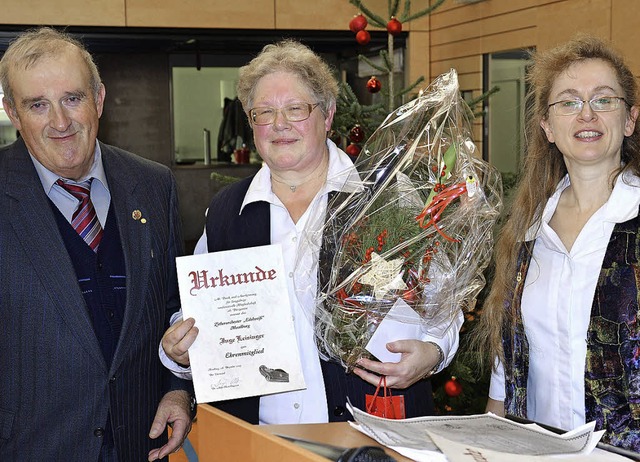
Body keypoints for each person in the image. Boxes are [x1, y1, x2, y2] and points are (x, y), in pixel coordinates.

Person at [160, 39, 463, 425]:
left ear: (328, 115)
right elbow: (197, 312)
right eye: (264, 112)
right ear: (251, 124)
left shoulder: (387, 197)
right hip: (260, 442)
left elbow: (443, 301)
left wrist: (433, 353)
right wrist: (177, 345)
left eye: (296, 109)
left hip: (372, 433)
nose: (280, 124)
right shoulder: (225, 212)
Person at [0, 27, 195, 461]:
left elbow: (175, 307)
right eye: (37, 105)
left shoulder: (153, 185)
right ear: (13, 113)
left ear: (99, 99)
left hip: (140, 445)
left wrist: (179, 390)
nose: (60, 122)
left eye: (72, 98)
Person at [477, 35, 640, 451]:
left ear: (630, 119)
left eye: (604, 100)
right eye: (568, 102)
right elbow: (509, 364)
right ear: (547, 127)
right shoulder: (527, 231)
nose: (587, 114)